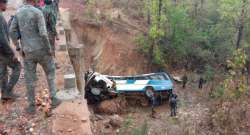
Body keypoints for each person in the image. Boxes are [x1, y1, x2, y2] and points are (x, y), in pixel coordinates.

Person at [9, 0, 61, 114]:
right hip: (42, 50)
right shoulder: (38, 12)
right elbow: (43, 33)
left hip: (27, 52)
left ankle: (32, 106)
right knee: (50, 72)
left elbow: (12, 31)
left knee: (30, 78)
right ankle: (54, 98)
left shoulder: (18, 13)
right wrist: (49, 49)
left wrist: (18, 47)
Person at [0, 0, 21, 101]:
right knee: (17, 66)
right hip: (3, 50)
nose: (6, 6)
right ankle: (7, 91)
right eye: (5, 3)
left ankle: (4, 93)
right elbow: (2, 39)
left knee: (3, 71)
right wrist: (12, 52)